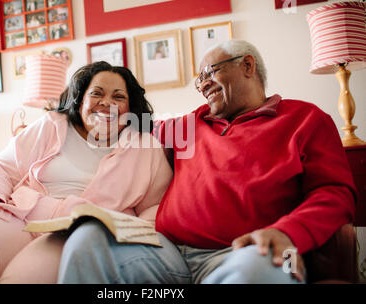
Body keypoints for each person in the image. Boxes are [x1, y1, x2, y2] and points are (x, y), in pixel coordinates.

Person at [57, 40, 357, 284]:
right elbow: (126, 123)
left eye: (209, 73)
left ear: (247, 65)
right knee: (89, 239)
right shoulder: (190, 125)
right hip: (167, 253)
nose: (202, 85)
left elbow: (335, 193)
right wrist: (61, 118)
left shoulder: (303, 120)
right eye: (198, 80)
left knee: (260, 270)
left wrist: (289, 232)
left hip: (248, 252)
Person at [0, 61, 172, 283]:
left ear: (130, 108)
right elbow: (4, 165)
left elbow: (156, 207)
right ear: (80, 99)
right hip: (21, 217)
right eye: (97, 93)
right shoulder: (52, 125)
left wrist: (126, 240)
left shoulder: (145, 146)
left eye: (118, 97)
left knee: (26, 278)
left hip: (79, 235)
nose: (106, 103)